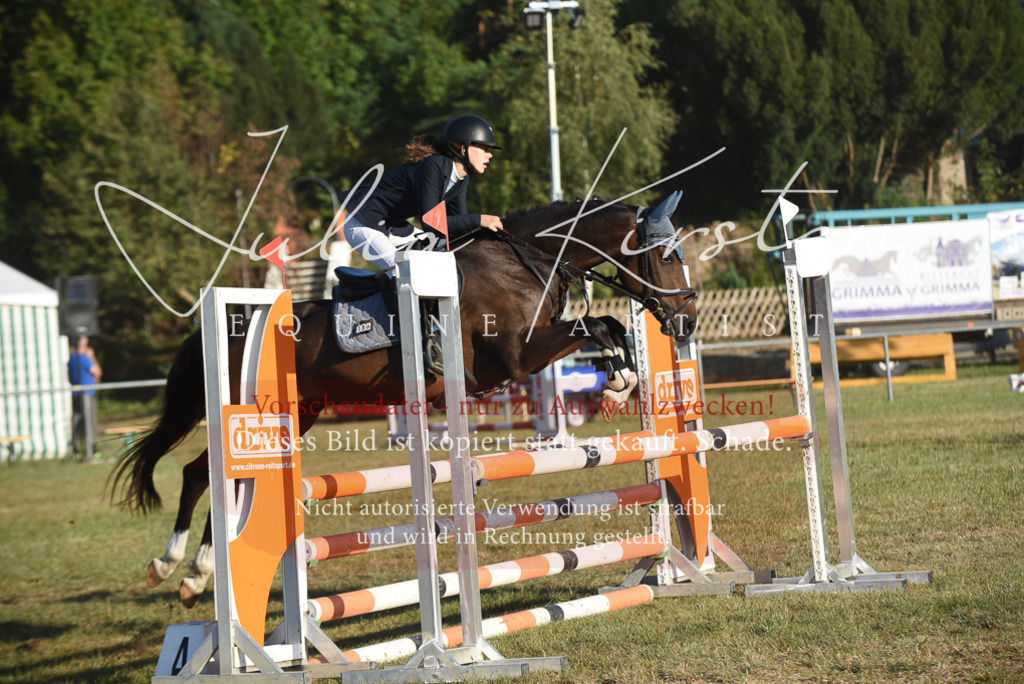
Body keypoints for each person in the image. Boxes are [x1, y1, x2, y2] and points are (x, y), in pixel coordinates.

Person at [341, 114, 504, 279]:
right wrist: (480, 219)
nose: (489, 155)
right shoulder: (433, 166)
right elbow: (431, 223)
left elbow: (457, 224)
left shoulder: (461, 178)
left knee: (439, 252)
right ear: (464, 148)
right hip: (362, 222)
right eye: (484, 148)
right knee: (405, 274)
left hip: (392, 226)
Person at [68, 336, 102, 459]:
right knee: (90, 421)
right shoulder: (84, 359)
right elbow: (97, 372)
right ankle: (92, 448)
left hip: (76, 395)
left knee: (77, 422)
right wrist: (92, 357)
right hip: (87, 395)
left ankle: (76, 448)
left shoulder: (71, 359)